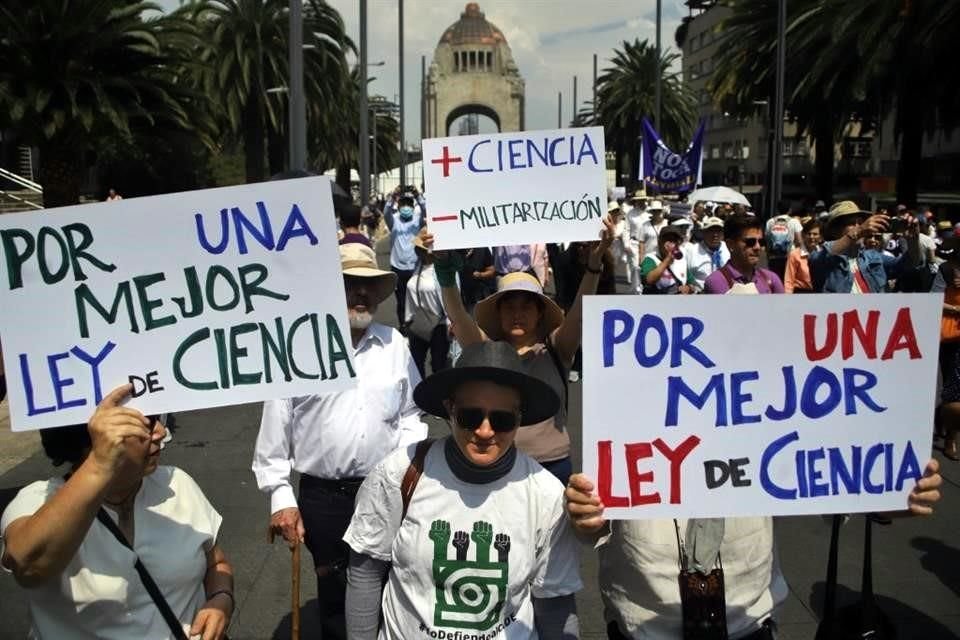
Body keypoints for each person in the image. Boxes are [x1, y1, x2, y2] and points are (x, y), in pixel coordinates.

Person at [343, 341, 582, 639]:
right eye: (470, 416)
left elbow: (555, 601)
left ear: (520, 418)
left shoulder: (545, 494)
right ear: (449, 409)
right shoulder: (400, 473)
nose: (484, 431)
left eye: (503, 420)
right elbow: (365, 572)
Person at [252, 243, 427, 640]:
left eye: (368, 285)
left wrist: (408, 470)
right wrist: (282, 499)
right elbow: (274, 429)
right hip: (324, 499)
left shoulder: (395, 344)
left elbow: (412, 414)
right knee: (334, 598)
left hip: (386, 491)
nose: (360, 294)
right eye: (349, 284)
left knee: (393, 589)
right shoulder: (298, 345)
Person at [566, 461, 942, 639]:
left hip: (748, 624)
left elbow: (826, 483)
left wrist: (882, 494)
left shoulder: (763, 430)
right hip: (645, 629)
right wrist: (587, 517)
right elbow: (592, 525)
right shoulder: (621, 428)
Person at [1, 385, 233, 640]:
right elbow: (29, 565)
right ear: (91, 438)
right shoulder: (38, 501)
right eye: (140, 423)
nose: (160, 433)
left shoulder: (178, 484)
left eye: (156, 419)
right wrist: (100, 464)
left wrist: (220, 600)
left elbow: (217, 563)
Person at [426, 218, 615, 485]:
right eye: (509, 306)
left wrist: (594, 264)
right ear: (497, 312)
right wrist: (444, 269)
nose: (518, 313)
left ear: (540, 313)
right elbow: (457, 314)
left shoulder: (556, 347)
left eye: (527, 305)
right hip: (499, 465)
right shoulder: (486, 350)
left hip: (552, 466)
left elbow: (580, 313)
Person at [809, 201, 920, 294]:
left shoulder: (873, 257)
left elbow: (910, 263)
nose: (860, 226)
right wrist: (860, 230)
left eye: (861, 223)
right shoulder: (821, 258)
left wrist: (913, 240)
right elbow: (828, 252)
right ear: (834, 230)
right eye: (852, 223)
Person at [405, 231, 450, 378]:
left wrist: (451, 324)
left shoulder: (444, 271)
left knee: (439, 365)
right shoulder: (417, 268)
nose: (418, 252)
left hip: (440, 326)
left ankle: (440, 397)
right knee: (416, 364)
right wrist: (408, 320)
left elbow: (450, 300)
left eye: (422, 249)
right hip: (418, 323)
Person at [704, 214, 785, 294]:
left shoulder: (771, 279)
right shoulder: (716, 281)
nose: (757, 247)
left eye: (761, 242)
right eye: (750, 242)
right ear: (730, 244)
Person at [933, 235, 960, 461]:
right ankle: (943, 418)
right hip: (951, 336)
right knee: (949, 382)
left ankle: (952, 436)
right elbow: (933, 299)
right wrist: (954, 307)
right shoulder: (946, 270)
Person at [384, 193, 425, 327]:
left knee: (416, 299)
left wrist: (418, 196)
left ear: (413, 207)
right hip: (397, 268)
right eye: (403, 205)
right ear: (399, 206)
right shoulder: (394, 221)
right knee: (401, 300)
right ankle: (403, 326)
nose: (406, 208)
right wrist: (391, 197)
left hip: (415, 267)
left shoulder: (417, 220)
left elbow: (426, 210)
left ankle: (416, 326)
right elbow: (386, 213)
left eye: (409, 205)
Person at [641, 226, 695, 295]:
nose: (671, 244)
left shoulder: (681, 261)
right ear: (659, 241)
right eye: (667, 240)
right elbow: (649, 280)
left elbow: (692, 284)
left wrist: (688, 288)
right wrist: (667, 260)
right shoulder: (650, 258)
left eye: (674, 240)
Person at [684, 215, 729, 292]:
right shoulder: (691, 251)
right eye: (711, 231)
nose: (715, 235)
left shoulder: (729, 248)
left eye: (718, 231)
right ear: (703, 232)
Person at [765, 203, 803, 280]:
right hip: (790, 256)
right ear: (790, 210)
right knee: (788, 280)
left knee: (775, 280)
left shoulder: (770, 222)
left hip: (774, 257)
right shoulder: (794, 221)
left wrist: (768, 256)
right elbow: (799, 241)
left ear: (777, 210)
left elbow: (767, 240)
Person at [784, 219, 821, 293]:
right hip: (800, 294)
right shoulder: (794, 254)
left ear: (820, 237)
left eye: (815, 234)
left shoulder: (823, 254)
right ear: (803, 235)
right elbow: (789, 281)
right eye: (809, 234)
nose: (811, 237)